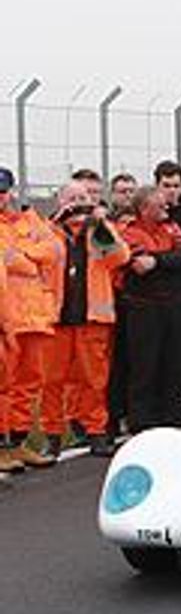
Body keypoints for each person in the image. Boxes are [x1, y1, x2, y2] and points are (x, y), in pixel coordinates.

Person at [41, 179, 129, 456]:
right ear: (61, 202)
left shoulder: (98, 232)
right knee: (52, 381)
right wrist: (58, 221)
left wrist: (99, 225)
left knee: (94, 380)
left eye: (84, 199)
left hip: (92, 318)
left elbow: (119, 258)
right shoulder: (48, 231)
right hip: (56, 318)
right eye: (73, 199)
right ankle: (52, 434)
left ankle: (95, 431)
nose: (79, 205)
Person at [114, 186, 181, 431]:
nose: (166, 208)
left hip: (173, 306)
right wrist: (168, 260)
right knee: (144, 365)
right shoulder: (129, 232)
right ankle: (141, 420)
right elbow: (140, 266)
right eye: (160, 205)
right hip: (143, 308)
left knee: (174, 362)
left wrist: (159, 260)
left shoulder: (170, 227)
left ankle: (171, 413)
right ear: (144, 209)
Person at [0, 168, 64, 469]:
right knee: (4, 383)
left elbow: (54, 250)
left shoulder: (30, 219)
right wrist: (28, 258)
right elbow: (8, 260)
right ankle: (2, 447)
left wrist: (23, 254)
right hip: (6, 317)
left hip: (35, 317)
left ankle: (18, 443)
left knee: (29, 384)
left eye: (3, 191)